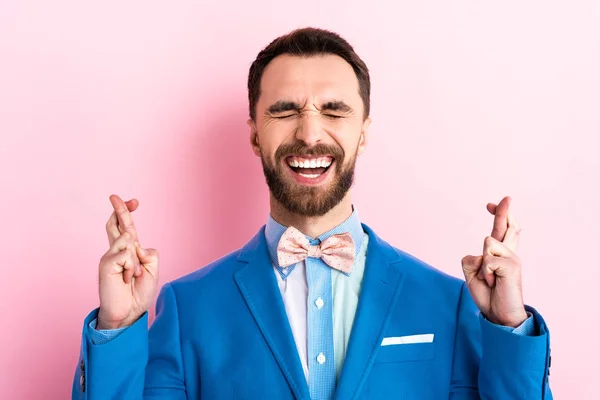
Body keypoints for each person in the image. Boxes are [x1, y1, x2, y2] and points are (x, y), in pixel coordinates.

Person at [72, 27, 552, 399]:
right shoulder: (187, 309)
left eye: (334, 110)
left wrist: (509, 327)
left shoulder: (449, 303)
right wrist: (117, 327)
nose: (309, 133)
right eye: (284, 111)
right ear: (255, 133)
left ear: (363, 131)